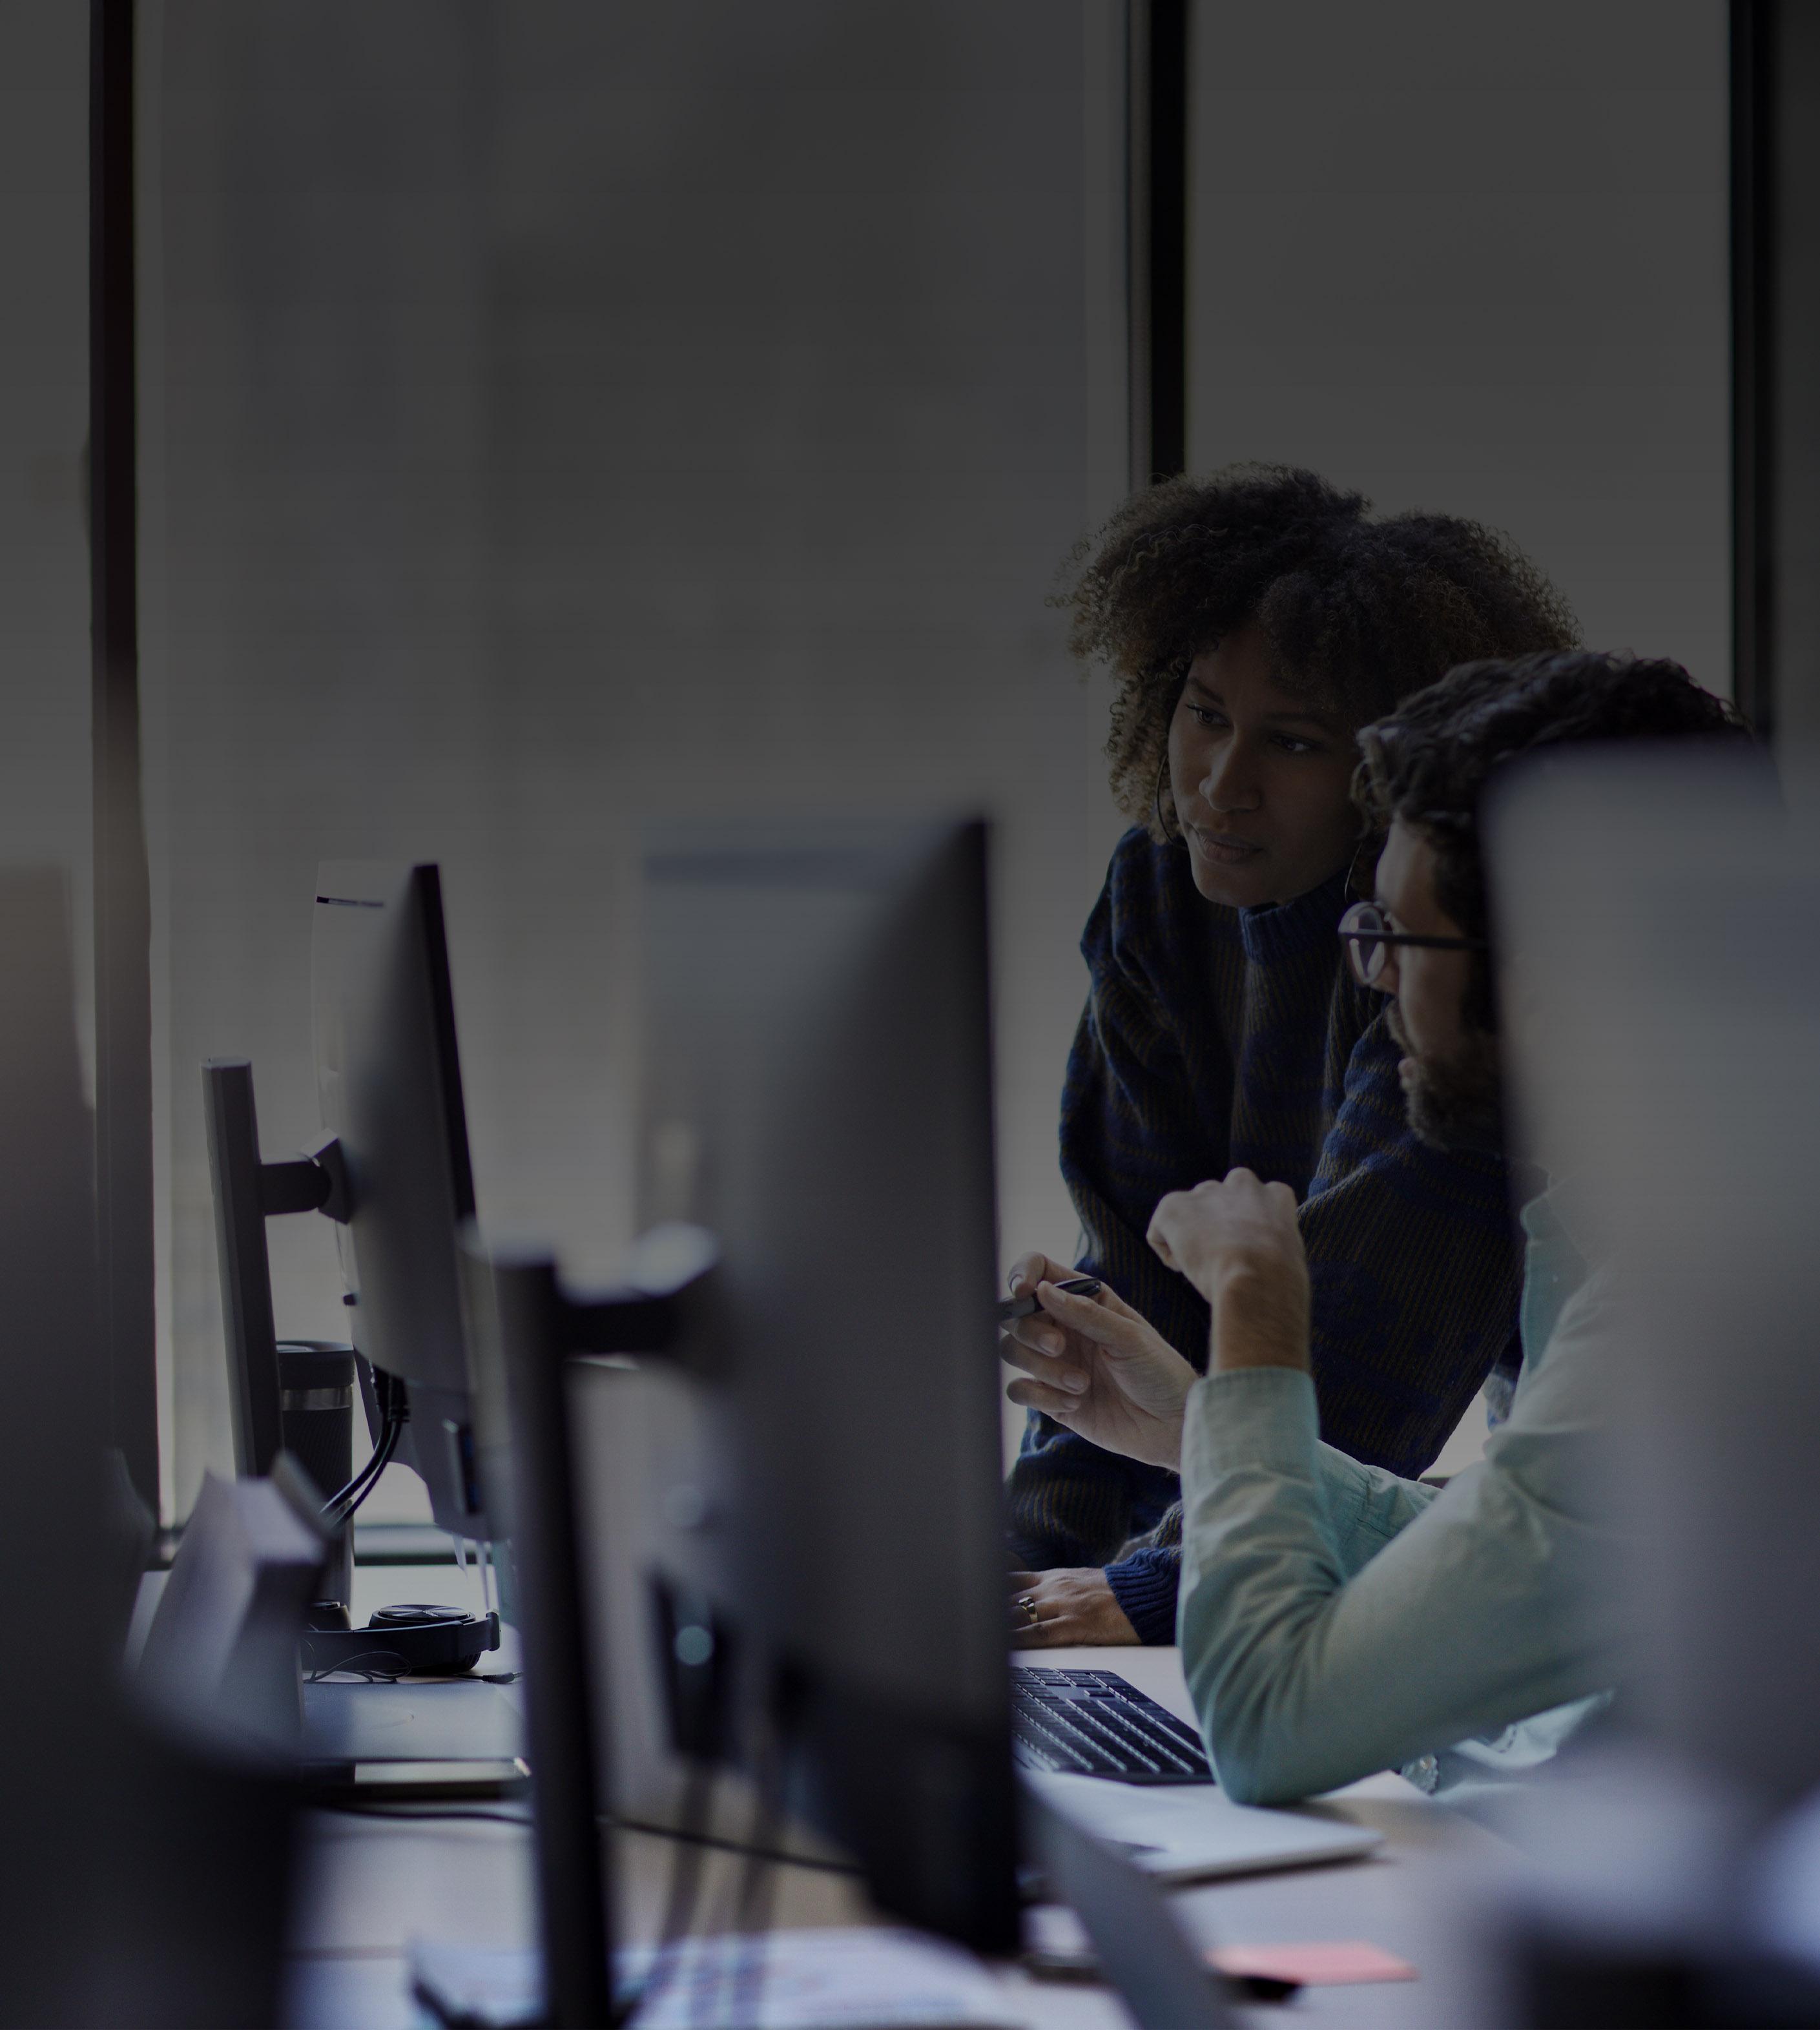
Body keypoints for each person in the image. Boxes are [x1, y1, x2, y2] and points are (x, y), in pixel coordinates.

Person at [1000, 649, 1748, 1803]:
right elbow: (1525, 1557)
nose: (1376, 981)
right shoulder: (1636, 1225)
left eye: (1402, 940)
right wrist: (1200, 1425)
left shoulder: (1698, 1304)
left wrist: (1257, 1302)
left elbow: (1269, 1725)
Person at [1006, 465, 1578, 1648]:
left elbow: (1367, 1357)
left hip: (1572, 1550)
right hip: (1311, 1520)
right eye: (1204, 713)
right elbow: (1125, 1285)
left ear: (1389, 776)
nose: (1222, 782)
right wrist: (1019, 1569)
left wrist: (1158, 1590)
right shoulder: (1158, 891)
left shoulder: (1431, 950)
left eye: (1295, 742)